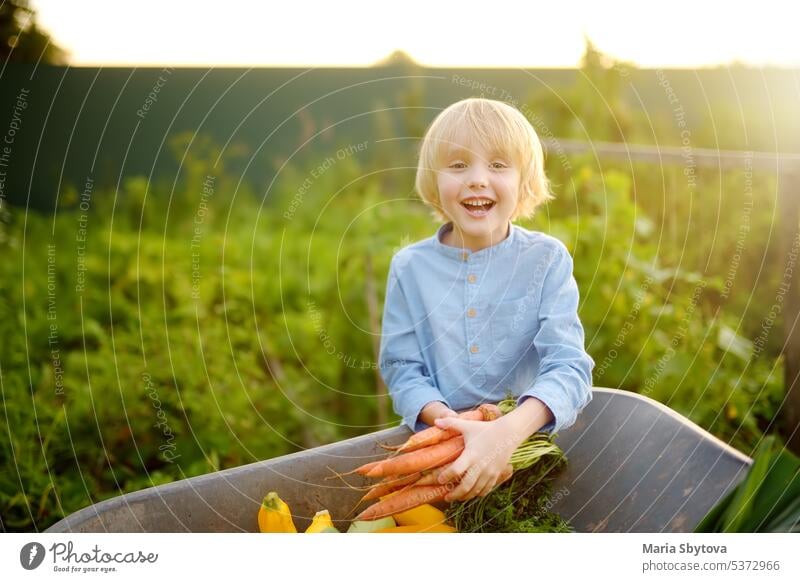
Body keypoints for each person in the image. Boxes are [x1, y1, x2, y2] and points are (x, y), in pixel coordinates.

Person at [378, 97, 594, 502]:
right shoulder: (410, 267)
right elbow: (401, 366)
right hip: (440, 459)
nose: (477, 179)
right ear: (434, 180)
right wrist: (451, 427)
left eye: (498, 165)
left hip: (526, 454)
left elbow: (568, 367)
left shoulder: (546, 260)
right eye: (458, 165)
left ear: (523, 181)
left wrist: (503, 434)